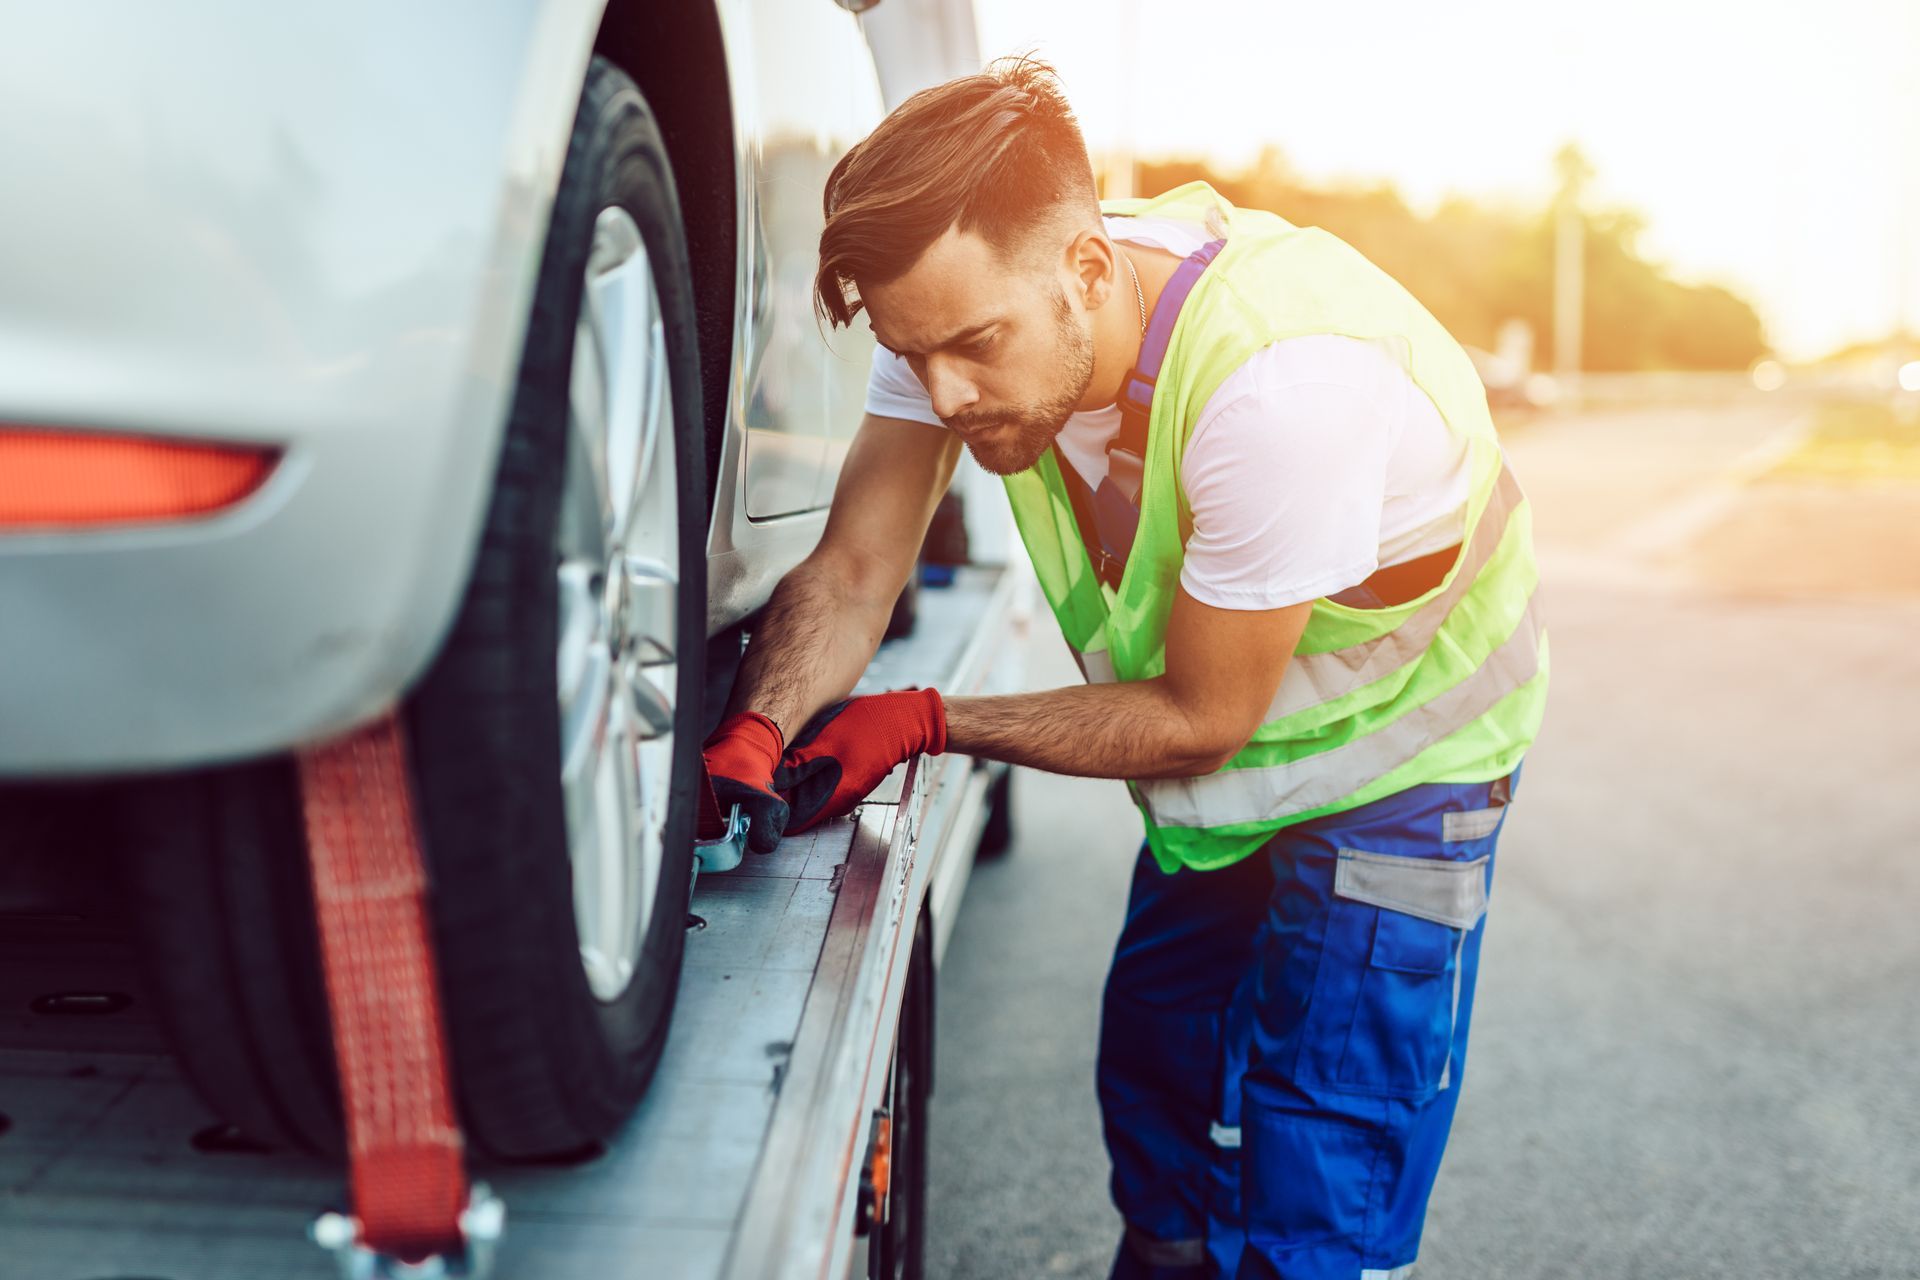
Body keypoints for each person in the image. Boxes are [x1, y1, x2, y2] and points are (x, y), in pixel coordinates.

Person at [698, 55, 1547, 1280]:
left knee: (1321, 1142)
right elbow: (850, 572)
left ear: (1088, 272)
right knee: (1156, 1064)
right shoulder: (960, 313)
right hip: (1241, 762)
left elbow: (1201, 718)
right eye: (912, 351)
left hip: (1402, 770)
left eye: (973, 347)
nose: (942, 390)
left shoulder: (1279, 390)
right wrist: (756, 730)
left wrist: (932, 717)